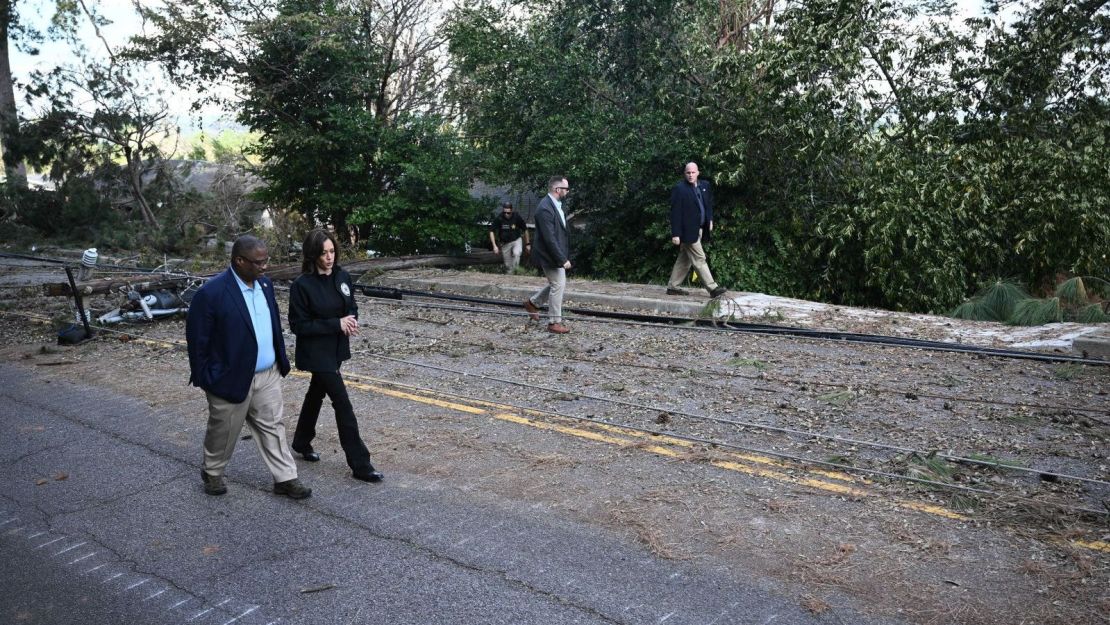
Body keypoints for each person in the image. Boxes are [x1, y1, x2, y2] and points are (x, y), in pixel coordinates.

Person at [186, 235, 311, 499]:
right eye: (258, 262)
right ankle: (213, 471)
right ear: (239, 261)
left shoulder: (264, 285)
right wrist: (206, 377)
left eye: (266, 260)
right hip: (228, 377)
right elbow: (198, 340)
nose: (264, 267)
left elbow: (273, 324)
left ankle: (285, 478)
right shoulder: (211, 293)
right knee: (224, 430)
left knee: (273, 427)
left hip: (267, 374)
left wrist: (279, 360)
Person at [288, 229, 384, 483]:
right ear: (312, 254)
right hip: (316, 352)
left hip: (336, 349)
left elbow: (350, 304)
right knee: (342, 404)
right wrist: (336, 324)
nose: (329, 257)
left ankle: (301, 441)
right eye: (323, 253)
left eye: (332, 251)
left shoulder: (341, 276)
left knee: (315, 395)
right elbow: (299, 326)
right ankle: (360, 464)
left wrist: (351, 320)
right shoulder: (302, 286)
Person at [667, 162, 727, 298]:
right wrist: (675, 233)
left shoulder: (705, 185)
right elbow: (675, 212)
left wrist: (710, 219)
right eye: (688, 172)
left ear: (698, 172)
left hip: (700, 229)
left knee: (685, 259)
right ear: (684, 174)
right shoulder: (679, 189)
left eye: (693, 172)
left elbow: (708, 205)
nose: (690, 175)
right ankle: (713, 288)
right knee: (700, 258)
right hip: (687, 231)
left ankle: (673, 287)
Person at [523, 176, 572, 334]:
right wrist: (562, 259)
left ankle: (533, 303)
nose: (568, 191)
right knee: (558, 285)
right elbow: (549, 238)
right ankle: (554, 322)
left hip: (554, 253)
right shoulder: (545, 208)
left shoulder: (556, 205)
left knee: (557, 283)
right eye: (566, 189)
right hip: (548, 255)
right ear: (557, 190)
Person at [489, 202, 530, 273]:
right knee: (508, 267)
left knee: (517, 253)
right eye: (504, 212)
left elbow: (525, 230)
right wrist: (494, 246)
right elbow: (491, 231)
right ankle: (511, 276)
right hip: (505, 243)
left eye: (508, 213)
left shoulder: (516, 217)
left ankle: (516, 271)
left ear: (511, 210)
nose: (506, 214)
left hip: (516, 240)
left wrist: (528, 244)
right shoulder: (499, 218)